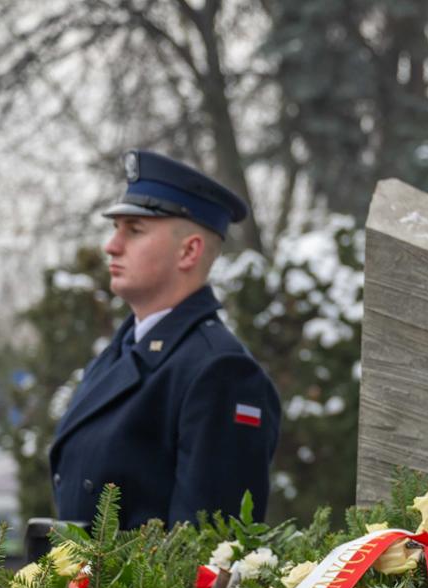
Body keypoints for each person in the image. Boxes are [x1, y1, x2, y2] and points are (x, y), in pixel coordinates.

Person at [49, 149, 283, 528]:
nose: (112, 246)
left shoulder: (221, 373)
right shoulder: (121, 352)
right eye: (115, 228)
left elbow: (207, 556)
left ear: (189, 251)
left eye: (135, 230)